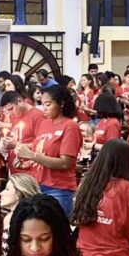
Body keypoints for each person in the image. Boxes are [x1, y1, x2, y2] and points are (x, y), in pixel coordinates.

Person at [14, 86, 81, 217]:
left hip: (58, 188)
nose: (44, 108)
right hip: (37, 184)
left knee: (55, 227)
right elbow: (40, 150)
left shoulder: (70, 126)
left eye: (48, 104)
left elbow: (65, 163)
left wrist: (31, 155)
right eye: (43, 104)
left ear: (61, 103)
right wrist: (25, 162)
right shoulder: (44, 124)